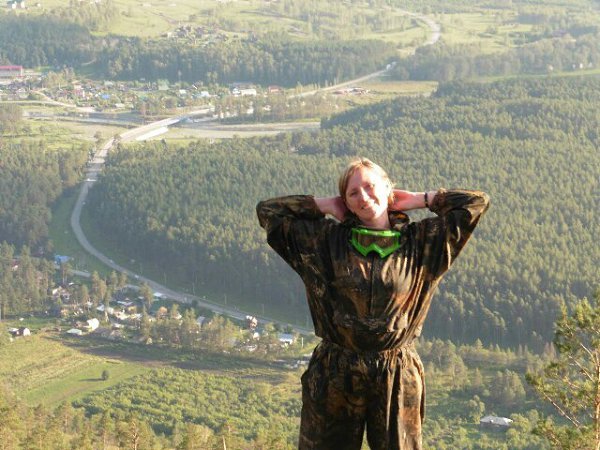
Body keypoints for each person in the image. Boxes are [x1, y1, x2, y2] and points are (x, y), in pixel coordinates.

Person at [256, 157, 490, 450]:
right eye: (353, 193)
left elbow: (475, 203)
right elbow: (268, 212)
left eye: (370, 186)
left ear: (389, 187)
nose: (364, 197)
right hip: (335, 371)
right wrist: (324, 205)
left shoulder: (421, 242)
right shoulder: (325, 241)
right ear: (346, 203)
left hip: (396, 373)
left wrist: (420, 199)